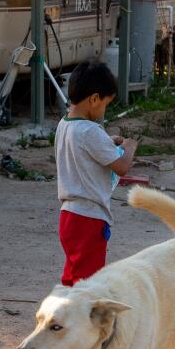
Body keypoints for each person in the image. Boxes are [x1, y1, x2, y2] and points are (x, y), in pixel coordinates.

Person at [55, 61, 138, 286]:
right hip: (89, 218)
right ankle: (79, 321)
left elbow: (83, 151)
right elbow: (121, 166)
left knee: (72, 279)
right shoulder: (91, 130)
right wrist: (129, 147)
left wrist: (107, 142)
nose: (104, 110)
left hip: (69, 216)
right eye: (105, 104)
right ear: (93, 99)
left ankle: (63, 317)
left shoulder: (65, 124)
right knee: (89, 285)